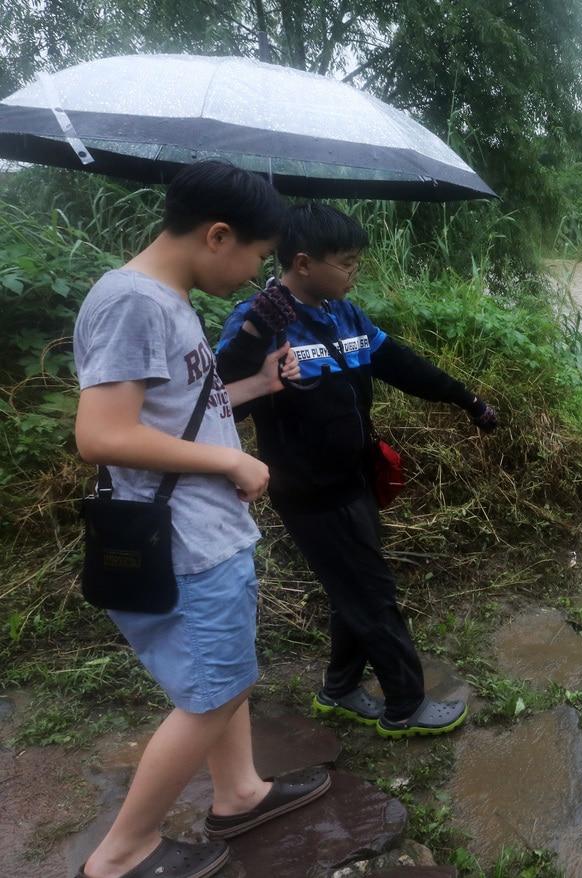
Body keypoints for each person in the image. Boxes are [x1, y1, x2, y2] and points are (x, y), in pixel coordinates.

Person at [72, 161, 328, 878]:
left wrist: (255, 384)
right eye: (253, 256)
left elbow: (177, 407)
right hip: (187, 541)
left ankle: (240, 792)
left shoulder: (163, 298)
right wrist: (231, 464)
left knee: (226, 679)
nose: (254, 276)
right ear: (218, 235)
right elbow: (103, 433)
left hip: (203, 531)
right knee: (211, 695)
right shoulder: (136, 303)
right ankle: (123, 853)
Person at [215, 203, 497, 739]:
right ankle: (405, 706)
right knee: (372, 593)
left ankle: (339, 689)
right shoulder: (261, 322)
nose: (354, 272)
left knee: (355, 589)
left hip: (354, 481)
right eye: (346, 263)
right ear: (303, 262)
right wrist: (254, 335)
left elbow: (402, 365)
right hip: (311, 492)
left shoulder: (345, 315)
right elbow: (218, 404)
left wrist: (466, 400)